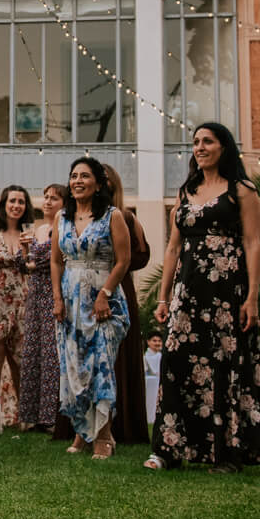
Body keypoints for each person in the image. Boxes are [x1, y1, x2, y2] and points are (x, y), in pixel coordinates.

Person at [147, 122, 260, 473]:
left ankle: (225, 454)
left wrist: (253, 298)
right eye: (196, 142)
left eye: (208, 141)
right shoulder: (186, 191)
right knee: (174, 362)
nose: (200, 147)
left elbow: (252, 243)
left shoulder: (241, 190)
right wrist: (163, 296)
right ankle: (167, 450)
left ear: (224, 147)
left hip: (227, 292)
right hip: (188, 292)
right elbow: (172, 247)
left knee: (222, 366)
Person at [53, 157, 132, 460]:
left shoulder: (112, 216)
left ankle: (104, 434)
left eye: (85, 176)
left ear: (98, 183)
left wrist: (105, 293)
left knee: (100, 363)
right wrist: (57, 299)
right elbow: (56, 260)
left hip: (104, 300)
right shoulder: (62, 217)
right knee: (74, 366)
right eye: (74, 176)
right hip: (70, 296)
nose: (78, 181)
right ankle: (82, 431)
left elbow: (123, 261)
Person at [101, 162, 152, 448]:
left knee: (121, 353)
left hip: (121, 289)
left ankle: (124, 424)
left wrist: (116, 264)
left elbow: (142, 255)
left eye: (107, 179)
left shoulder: (128, 217)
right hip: (87, 288)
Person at [13, 185, 63, 432]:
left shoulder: (64, 227)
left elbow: (49, 261)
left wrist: (33, 262)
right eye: (45, 197)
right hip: (35, 295)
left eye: (54, 198)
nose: (48, 202)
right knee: (33, 353)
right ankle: (33, 416)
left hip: (55, 293)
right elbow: (24, 265)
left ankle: (53, 417)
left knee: (53, 355)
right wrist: (24, 250)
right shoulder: (39, 229)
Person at [0, 185, 31, 427]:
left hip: (22, 298)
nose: (16, 206)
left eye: (21, 202)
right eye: (12, 201)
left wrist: (27, 249)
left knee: (21, 358)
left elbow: (31, 266)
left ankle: (25, 417)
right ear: (4, 204)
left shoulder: (28, 233)